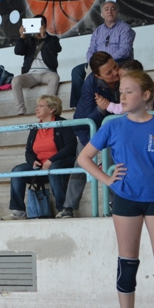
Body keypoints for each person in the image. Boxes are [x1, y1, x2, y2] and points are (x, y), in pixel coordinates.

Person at [77, 71, 154, 308]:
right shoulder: (113, 126)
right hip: (126, 201)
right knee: (128, 264)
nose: (122, 96)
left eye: (128, 92)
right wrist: (108, 179)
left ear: (146, 95)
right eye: (120, 92)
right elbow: (84, 157)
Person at [57, 51, 121, 218]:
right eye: (109, 72)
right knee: (81, 166)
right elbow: (83, 121)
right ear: (97, 76)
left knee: (111, 166)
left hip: (116, 132)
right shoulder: (90, 85)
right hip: (91, 132)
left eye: (115, 67)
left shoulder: (125, 75)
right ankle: (68, 207)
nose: (116, 72)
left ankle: (115, 204)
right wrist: (101, 109)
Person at [2, 95, 77, 220]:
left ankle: (64, 209)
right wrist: (33, 162)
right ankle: (18, 211)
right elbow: (29, 151)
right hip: (41, 165)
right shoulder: (36, 128)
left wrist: (51, 160)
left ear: (52, 109)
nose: (37, 108)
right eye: (36, 106)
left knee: (55, 168)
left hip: (60, 162)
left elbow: (71, 147)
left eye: (41, 106)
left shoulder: (63, 124)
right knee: (17, 171)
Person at [70, 1, 135, 108]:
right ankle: (77, 105)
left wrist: (107, 61)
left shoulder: (125, 28)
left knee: (94, 74)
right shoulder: (98, 31)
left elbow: (125, 50)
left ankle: (93, 103)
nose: (110, 11)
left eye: (113, 9)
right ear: (102, 14)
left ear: (117, 12)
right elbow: (91, 49)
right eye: (106, 9)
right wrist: (92, 62)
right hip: (98, 62)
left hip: (117, 61)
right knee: (77, 71)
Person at [11, 15, 62, 115]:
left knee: (55, 78)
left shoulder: (52, 39)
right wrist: (22, 37)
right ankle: (21, 111)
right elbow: (18, 51)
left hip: (47, 73)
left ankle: (48, 108)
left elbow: (57, 49)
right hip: (30, 74)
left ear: (45, 25)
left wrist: (44, 36)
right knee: (15, 81)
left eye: (40, 23)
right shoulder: (28, 40)